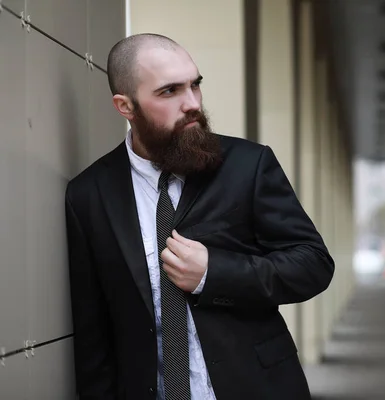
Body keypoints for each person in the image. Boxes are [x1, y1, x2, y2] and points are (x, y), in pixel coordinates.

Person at [65, 33, 334, 400]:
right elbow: (93, 335)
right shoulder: (89, 195)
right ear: (125, 106)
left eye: (195, 85)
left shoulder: (248, 166)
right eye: (169, 92)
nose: (192, 103)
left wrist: (213, 273)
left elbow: (313, 264)